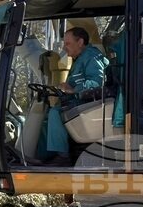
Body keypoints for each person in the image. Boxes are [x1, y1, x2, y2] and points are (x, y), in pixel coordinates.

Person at [44, 26, 108, 165]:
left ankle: (62, 157)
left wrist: (73, 89)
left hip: (90, 103)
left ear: (80, 42)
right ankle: (44, 157)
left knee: (55, 113)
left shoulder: (91, 56)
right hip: (81, 102)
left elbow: (98, 82)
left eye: (68, 43)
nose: (65, 48)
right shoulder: (79, 59)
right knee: (47, 115)